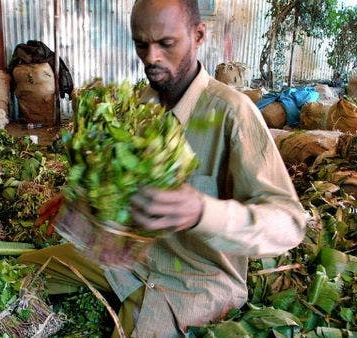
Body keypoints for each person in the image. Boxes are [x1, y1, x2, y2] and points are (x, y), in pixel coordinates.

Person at [20, 0, 306, 336]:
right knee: (20, 274)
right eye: (141, 44)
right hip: (126, 258)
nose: (151, 57)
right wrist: (80, 201)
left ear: (198, 35)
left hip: (194, 281)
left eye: (166, 44)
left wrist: (202, 211)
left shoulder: (232, 114)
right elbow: (118, 183)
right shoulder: (139, 105)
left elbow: (289, 224)